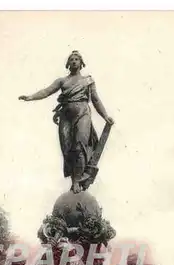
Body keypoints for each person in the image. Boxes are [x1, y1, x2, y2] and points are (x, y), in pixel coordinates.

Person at [18, 50, 114, 193]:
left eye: (76, 59)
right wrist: (30, 97)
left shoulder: (88, 80)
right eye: (71, 59)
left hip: (82, 113)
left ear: (81, 63)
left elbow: (95, 100)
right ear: (68, 64)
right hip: (66, 117)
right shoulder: (62, 81)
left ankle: (76, 182)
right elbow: (46, 91)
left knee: (79, 146)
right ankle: (74, 179)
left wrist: (105, 116)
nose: (74, 61)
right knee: (67, 149)